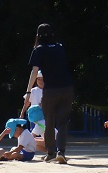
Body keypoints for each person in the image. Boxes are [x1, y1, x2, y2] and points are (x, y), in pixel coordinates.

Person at [25, 23, 73, 164]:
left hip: (51, 89)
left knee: (49, 121)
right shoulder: (60, 47)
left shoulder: (39, 50)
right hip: (67, 87)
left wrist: (28, 91)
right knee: (63, 122)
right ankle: (61, 152)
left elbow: (34, 72)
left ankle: (50, 152)